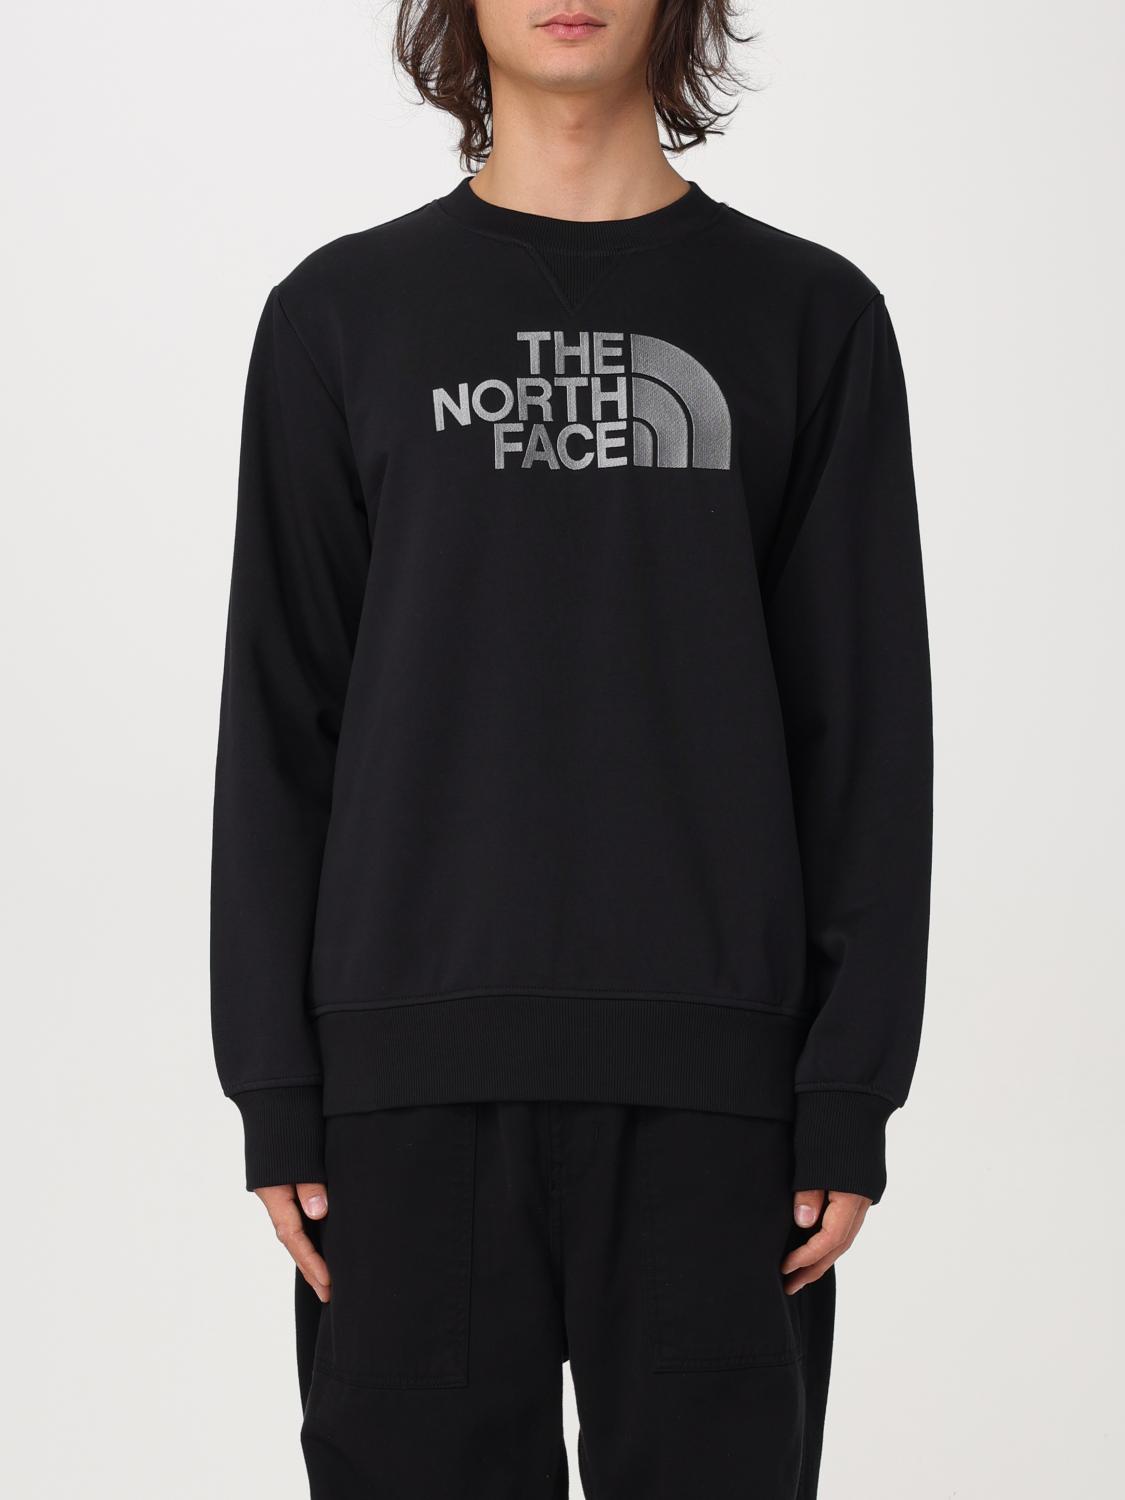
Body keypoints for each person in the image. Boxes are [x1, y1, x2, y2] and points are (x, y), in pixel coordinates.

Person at [210, 0, 933, 1494]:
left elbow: (863, 729)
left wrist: (847, 1091)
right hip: (401, 1098)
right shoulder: (340, 315)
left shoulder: (811, 316)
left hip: (719, 1103)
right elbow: (281, 717)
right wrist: (274, 1085)